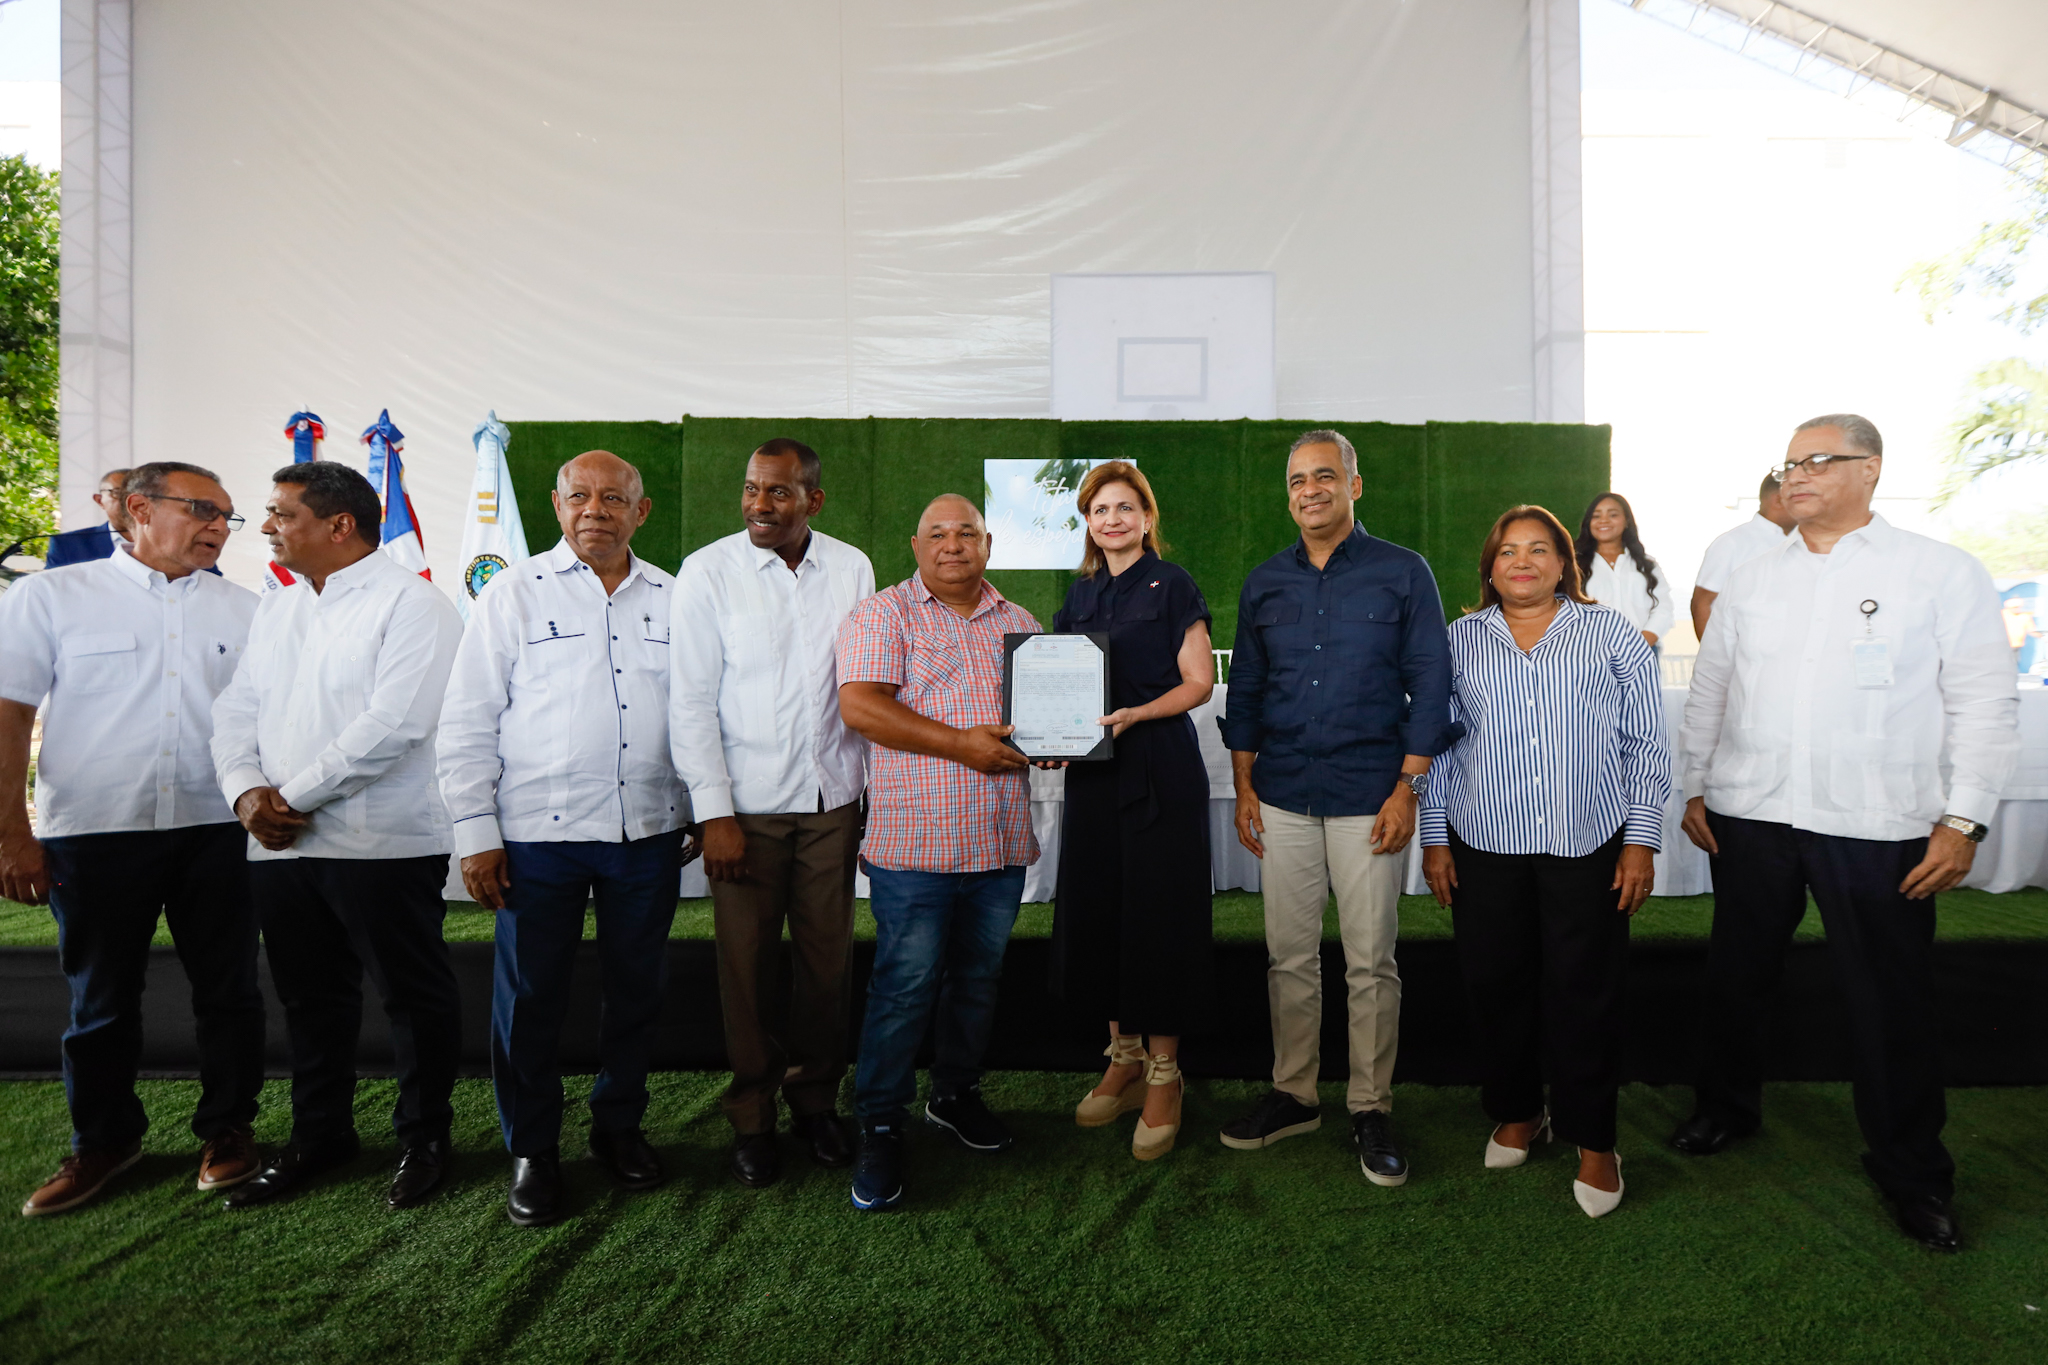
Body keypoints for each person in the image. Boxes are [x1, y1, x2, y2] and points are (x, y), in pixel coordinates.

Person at [1673, 413, 2017, 1253]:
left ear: (1872, 469)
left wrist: (1964, 818)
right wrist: (1693, 784)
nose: (1795, 475)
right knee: (1737, 976)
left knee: (1890, 998)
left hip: (1877, 821)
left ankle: (1912, 1171)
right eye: (1789, 464)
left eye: (1818, 460)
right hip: (1752, 811)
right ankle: (1725, 1108)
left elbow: (1984, 700)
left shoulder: (1938, 571)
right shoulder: (1752, 576)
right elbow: (1712, 686)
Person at [2, 463, 266, 1216]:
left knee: (230, 991)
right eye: (203, 509)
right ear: (140, 508)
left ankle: (228, 1129)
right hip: (93, 834)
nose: (218, 526)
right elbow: (10, 715)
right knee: (100, 999)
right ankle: (104, 1142)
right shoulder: (50, 596)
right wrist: (11, 831)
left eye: (227, 516)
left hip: (219, 829)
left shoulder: (250, 610)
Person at [438, 451, 691, 1227]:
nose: (595, 510)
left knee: (637, 990)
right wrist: (476, 833)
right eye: (580, 496)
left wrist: (692, 806)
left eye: (613, 498)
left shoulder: (676, 599)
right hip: (534, 839)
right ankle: (532, 1147)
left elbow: (697, 711)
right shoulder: (512, 593)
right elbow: (467, 718)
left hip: (647, 833)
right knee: (530, 998)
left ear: (640, 512)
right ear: (556, 505)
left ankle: (618, 1126)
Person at [211, 460, 466, 1211]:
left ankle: (425, 1139)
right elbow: (236, 710)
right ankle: (320, 1136)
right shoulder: (280, 607)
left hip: (382, 843)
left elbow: (397, 724)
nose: (266, 527)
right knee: (308, 999)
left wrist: (285, 799)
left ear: (339, 524)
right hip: (280, 845)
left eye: (281, 513)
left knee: (412, 998)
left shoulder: (415, 604)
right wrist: (244, 792)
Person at [1216, 429, 1455, 1185]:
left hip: (1370, 798)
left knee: (1370, 961)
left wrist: (1408, 788)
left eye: (1324, 476)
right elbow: (1247, 690)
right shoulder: (1264, 582)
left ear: (1354, 485)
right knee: (1288, 956)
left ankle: (1369, 1105)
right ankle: (1294, 1094)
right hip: (1283, 794)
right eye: (1297, 480)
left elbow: (1432, 682)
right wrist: (1245, 784)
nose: (1310, 490)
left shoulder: (1403, 572)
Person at [1420, 505, 1668, 1219]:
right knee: (1496, 985)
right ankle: (1519, 1110)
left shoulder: (1611, 633)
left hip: (1589, 843)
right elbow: (1437, 743)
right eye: (1507, 551)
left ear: (1565, 563)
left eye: (1537, 550)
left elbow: (1646, 742)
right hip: (1482, 842)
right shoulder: (1457, 641)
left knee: (1585, 992)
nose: (1521, 562)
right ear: (1489, 567)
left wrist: (1641, 838)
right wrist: (1435, 837)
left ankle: (1595, 1138)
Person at [670, 438, 876, 1189]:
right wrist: (714, 814)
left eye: (779, 492)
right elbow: (689, 700)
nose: (759, 504)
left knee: (827, 965)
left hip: (832, 801)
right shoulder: (707, 571)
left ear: (813, 500)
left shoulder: (852, 568)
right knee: (747, 967)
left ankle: (815, 1103)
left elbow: (864, 687)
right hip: (744, 812)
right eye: (752, 488)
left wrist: (868, 794)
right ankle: (752, 1116)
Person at [834, 493, 1041, 1211]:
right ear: (916, 545)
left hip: (998, 841)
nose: (953, 544)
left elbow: (1037, 721)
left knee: (977, 980)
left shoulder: (1021, 623)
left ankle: (954, 1095)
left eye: (967, 533)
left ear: (987, 544)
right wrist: (963, 746)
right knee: (905, 986)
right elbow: (861, 706)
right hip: (916, 844)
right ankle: (880, 1121)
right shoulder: (883, 614)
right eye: (938, 534)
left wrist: (1054, 744)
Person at [1046, 461, 1214, 1161]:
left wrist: (1140, 713)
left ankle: (1165, 1072)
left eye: (1124, 507)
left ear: (1146, 518)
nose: (1111, 519)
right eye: (1099, 510)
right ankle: (1123, 1057)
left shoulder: (1173, 584)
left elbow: (1199, 681)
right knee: (1101, 912)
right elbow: (1056, 686)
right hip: (1094, 776)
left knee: (1159, 916)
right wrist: (1049, 739)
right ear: (1088, 524)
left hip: (1160, 769)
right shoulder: (1079, 595)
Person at [1690, 472, 1794, 640]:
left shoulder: (1803, 542)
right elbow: (1702, 603)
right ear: (1778, 500)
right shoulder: (1732, 543)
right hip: (1742, 652)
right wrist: (1713, 654)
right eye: (1799, 497)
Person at [1575, 492, 1672, 651]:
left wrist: (1640, 644)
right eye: (1596, 516)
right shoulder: (1574, 565)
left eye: (1613, 515)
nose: (1604, 520)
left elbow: (1663, 608)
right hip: (1589, 653)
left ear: (1626, 521)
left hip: (1642, 651)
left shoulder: (1647, 564)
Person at [42, 469, 135, 568]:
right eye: (118, 493)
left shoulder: (148, 542)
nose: (131, 501)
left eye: (141, 493)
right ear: (99, 500)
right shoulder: (67, 545)